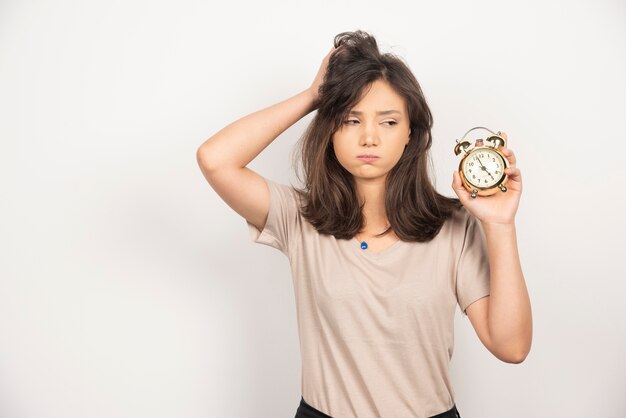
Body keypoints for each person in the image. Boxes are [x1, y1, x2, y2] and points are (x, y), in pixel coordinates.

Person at [196, 30, 532, 418]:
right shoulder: (300, 217)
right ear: (331, 130)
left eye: (388, 122)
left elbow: (512, 347)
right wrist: (313, 96)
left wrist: (501, 225)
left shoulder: (455, 225)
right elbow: (215, 159)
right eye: (351, 119)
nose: (369, 137)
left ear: (410, 133)